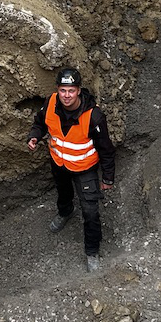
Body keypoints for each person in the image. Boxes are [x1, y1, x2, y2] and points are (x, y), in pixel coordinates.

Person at [27, 67, 115, 272]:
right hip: (59, 164)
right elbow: (40, 123)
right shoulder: (50, 103)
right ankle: (65, 212)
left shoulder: (93, 116)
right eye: (63, 90)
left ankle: (92, 251)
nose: (67, 96)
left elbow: (107, 149)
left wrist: (108, 178)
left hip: (85, 169)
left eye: (71, 91)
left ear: (78, 91)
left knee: (91, 211)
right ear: (58, 90)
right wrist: (34, 136)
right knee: (63, 193)